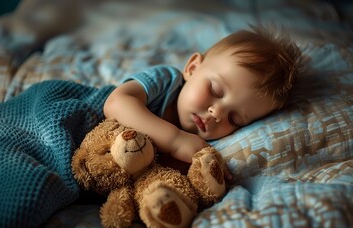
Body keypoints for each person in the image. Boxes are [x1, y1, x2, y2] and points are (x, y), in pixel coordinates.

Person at [103, 25, 302, 173]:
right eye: (215, 90)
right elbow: (116, 103)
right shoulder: (165, 81)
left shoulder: (200, 147)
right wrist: (175, 141)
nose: (217, 113)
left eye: (234, 119)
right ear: (192, 68)